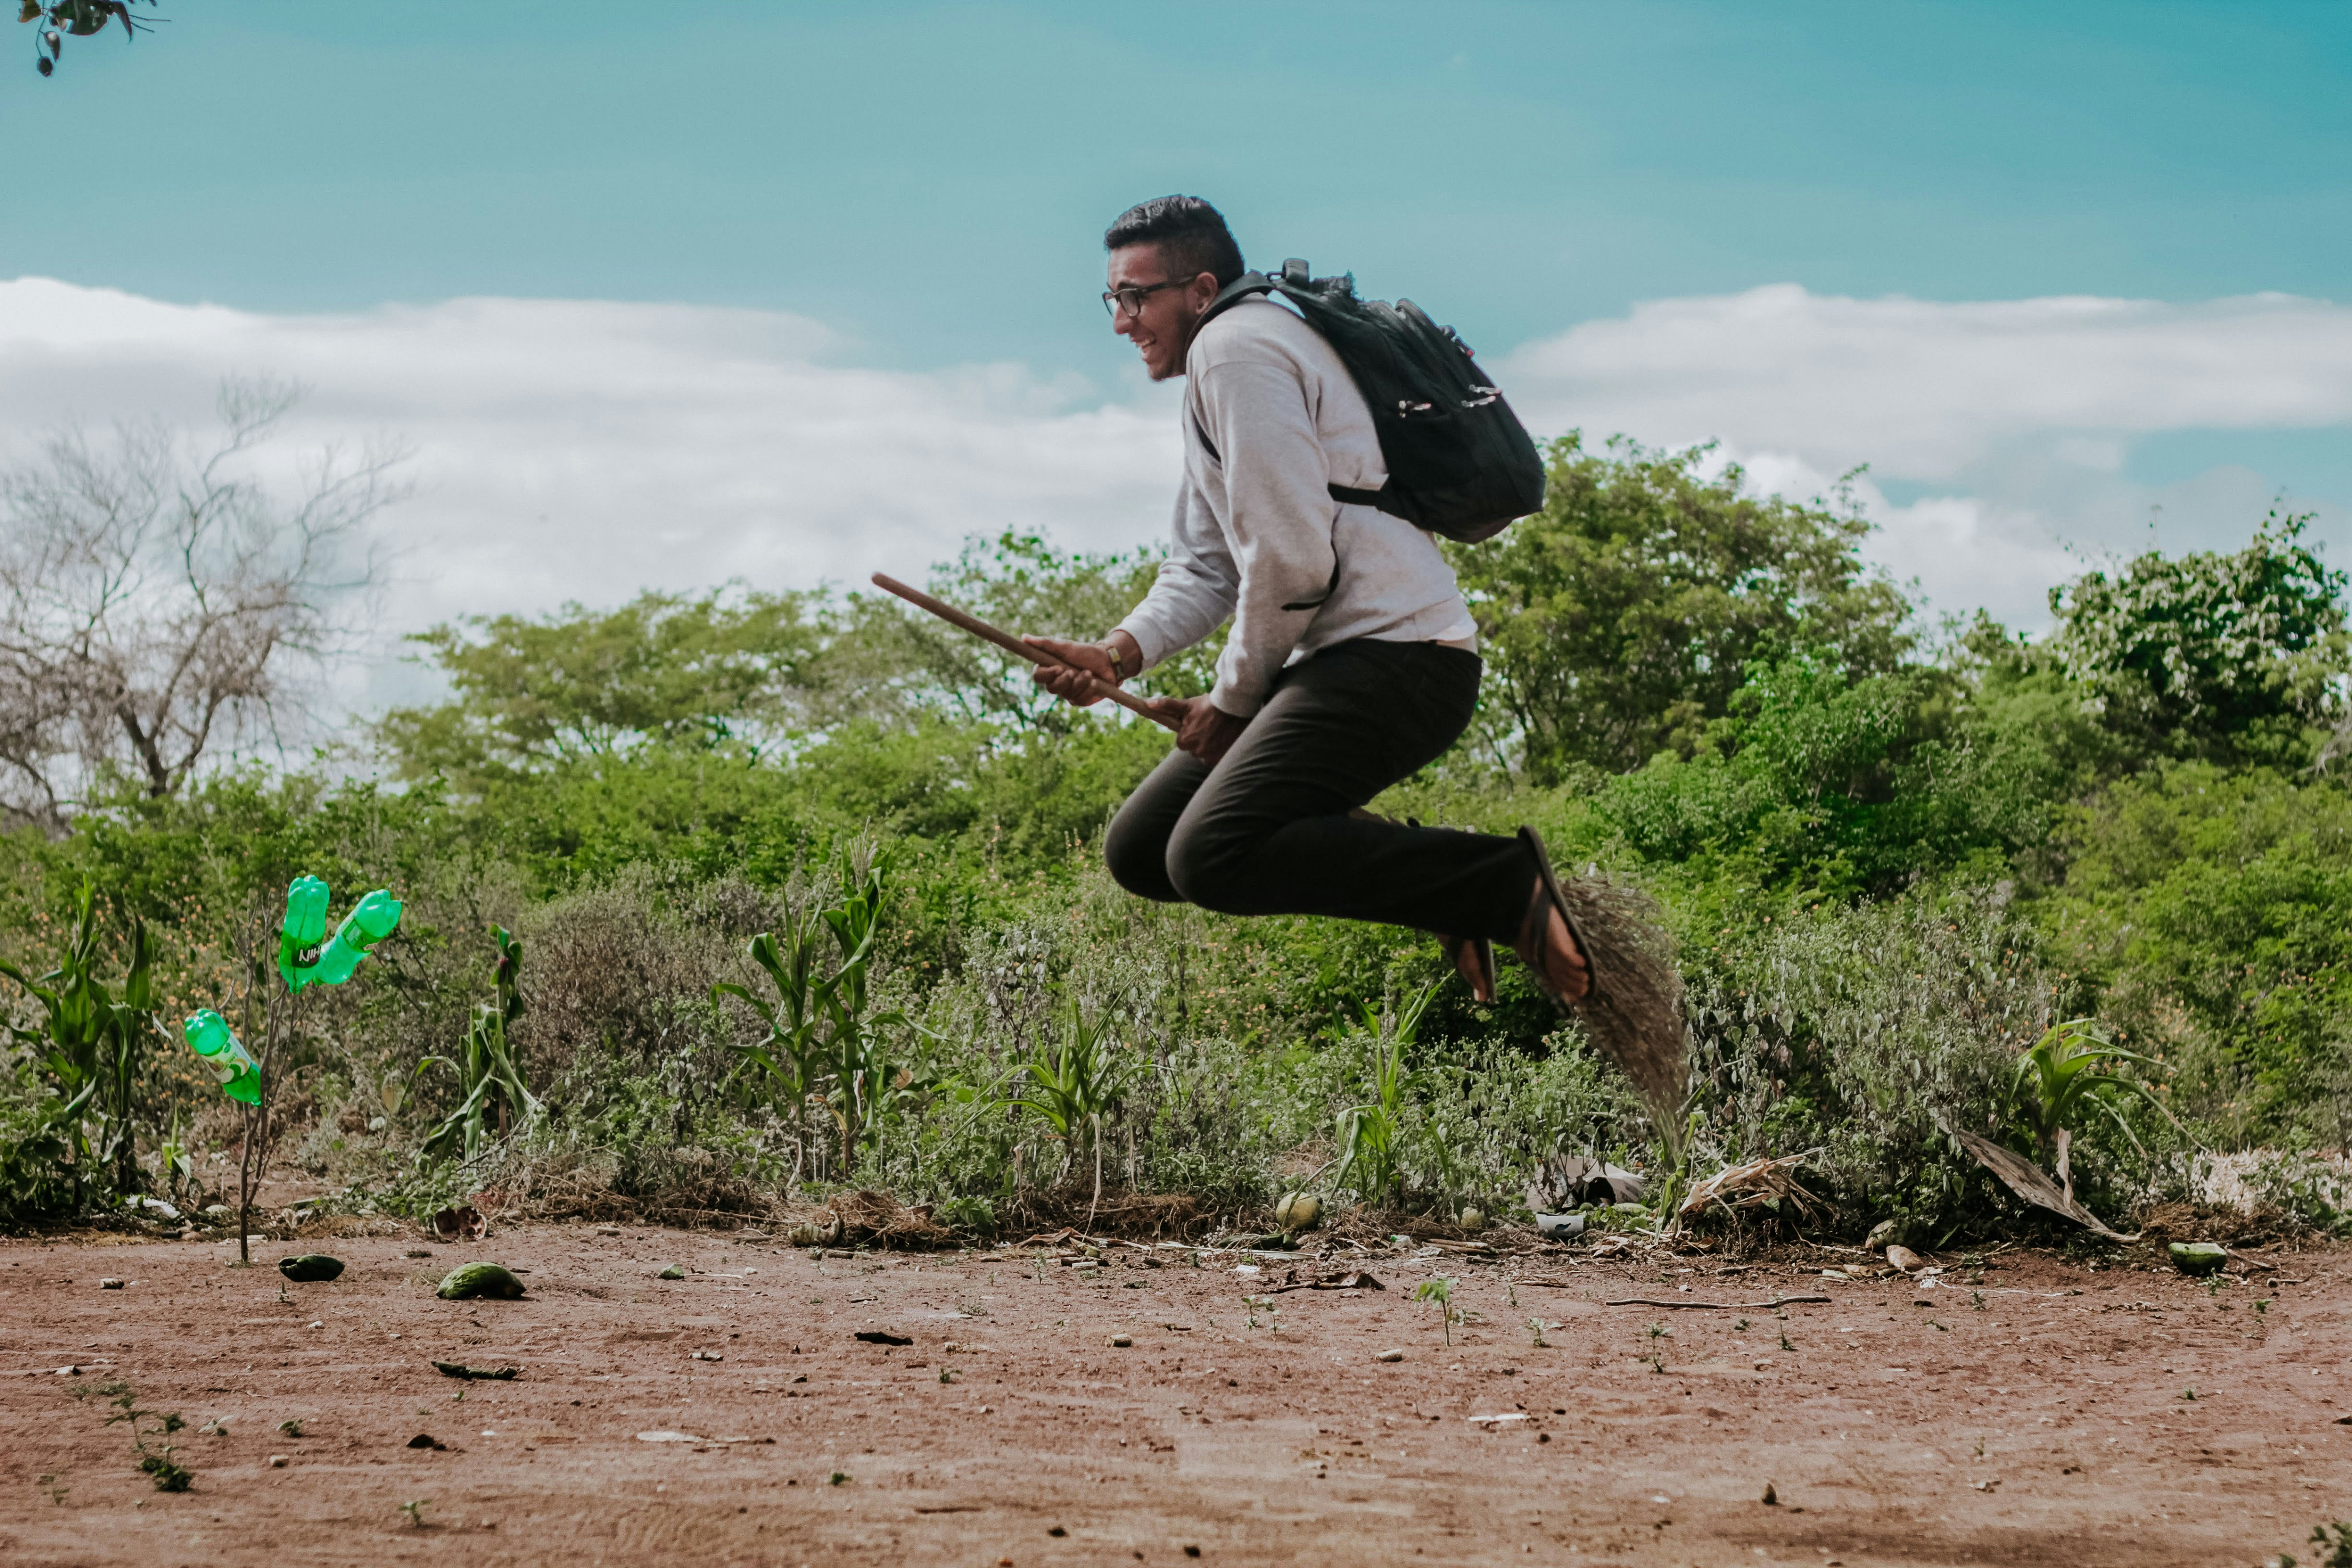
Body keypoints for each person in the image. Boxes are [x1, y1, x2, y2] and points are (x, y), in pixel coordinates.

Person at [1025, 195, 1588, 1008]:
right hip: (1331, 665)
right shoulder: (1229, 360)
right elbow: (1208, 566)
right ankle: (1441, 876)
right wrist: (1116, 653)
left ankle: (1494, 884)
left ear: (1200, 287)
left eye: (1136, 297)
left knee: (1209, 855)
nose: (1122, 321)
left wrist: (1228, 701)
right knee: (1144, 850)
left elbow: (1290, 564)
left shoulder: (1236, 352)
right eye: (1113, 298)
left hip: (1400, 662)